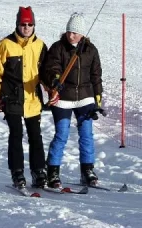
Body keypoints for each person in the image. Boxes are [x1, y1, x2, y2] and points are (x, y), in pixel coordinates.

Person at [0, 6, 48, 189]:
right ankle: (17, 172)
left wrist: (52, 90)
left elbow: (46, 73)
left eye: (30, 24)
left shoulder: (40, 46)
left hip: (33, 100)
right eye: (23, 24)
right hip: (11, 99)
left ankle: (39, 171)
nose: (27, 27)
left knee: (35, 136)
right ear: (17, 24)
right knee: (16, 135)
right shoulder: (5, 45)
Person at [42, 12, 103, 188]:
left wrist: (97, 98)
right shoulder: (58, 48)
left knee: (86, 135)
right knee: (61, 135)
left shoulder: (90, 50)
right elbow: (51, 67)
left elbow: (96, 75)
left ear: (82, 33)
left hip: (85, 97)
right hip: (63, 98)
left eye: (75, 32)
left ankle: (87, 171)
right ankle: (52, 173)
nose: (71, 35)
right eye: (69, 31)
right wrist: (55, 79)